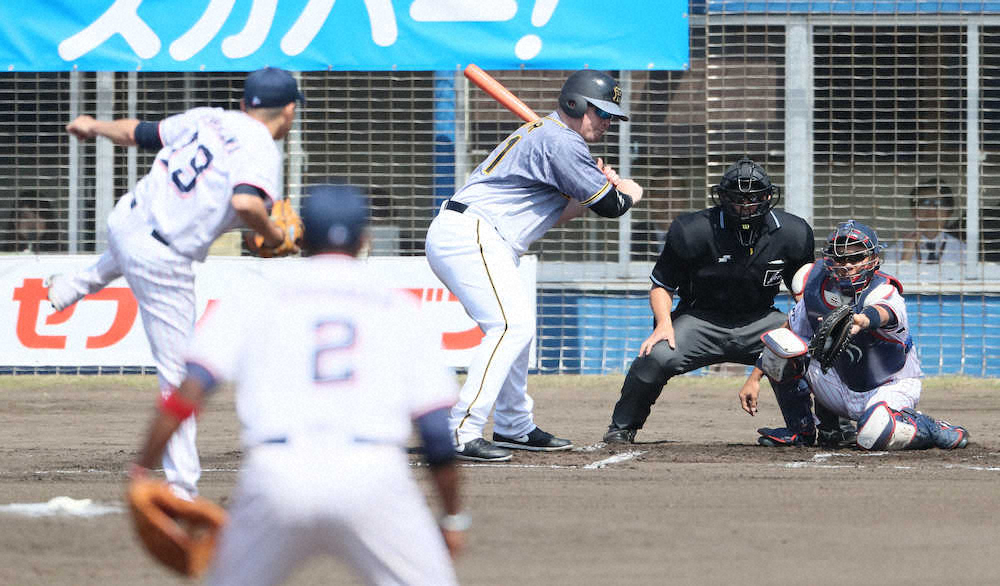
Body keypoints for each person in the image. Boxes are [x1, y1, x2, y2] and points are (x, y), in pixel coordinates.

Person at [131, 184, 465, 586]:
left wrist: (140, 470)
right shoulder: (400, 307)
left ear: (302, 236)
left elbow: (187, 395)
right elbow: (436, 436)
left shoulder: (255, 294)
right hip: (373, 475)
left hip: (276, 475)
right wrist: (450, 518)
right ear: (363, 239)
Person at [47, 67, 304, 498]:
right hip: (162, 258)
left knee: (133, 244)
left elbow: (137, 132)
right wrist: (276, 235)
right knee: (181, 378)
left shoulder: (210, 117)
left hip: (127, 219)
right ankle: (183, 487)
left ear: (244, 104)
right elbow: (245, 202)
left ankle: (73, 286)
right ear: (290, 111)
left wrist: (93, 125)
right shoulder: (261, 147)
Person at [425, 70, 645, 462]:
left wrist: (593, 187)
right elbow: (612, 208)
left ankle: (513, 425)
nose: (608, 122)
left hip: (484, 236)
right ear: (576, 105)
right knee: (511, 325)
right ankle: (459, 430)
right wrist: (623, 191)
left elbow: (562, 211)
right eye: (602, 113)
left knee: (517, 328)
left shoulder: (555, 138)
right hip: (473, 233)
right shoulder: (560, 141)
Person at [602, 157, 856, 447]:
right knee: (655, 356)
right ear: (722, 198)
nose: (746, 206)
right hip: (700, 320)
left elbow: (804, 293)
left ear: (768, 197)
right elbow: (661, 286)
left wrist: (811, 326)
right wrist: (663, 324)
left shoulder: (793, 232)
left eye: (754, 199)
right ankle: (622, 428)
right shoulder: (692, 229)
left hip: (761, 320)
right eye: (737, 199)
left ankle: (835, 426)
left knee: (816, 349)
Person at [738, 220, 970, 451]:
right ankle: (801, 431)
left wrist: (862, 320)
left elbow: (883, 312)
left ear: (874, 260)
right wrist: (754, 378)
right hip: (839, 385)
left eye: (856, 258)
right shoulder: (815, 284)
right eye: (841, 258)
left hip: (888, 386)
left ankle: (932, 427)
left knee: (872, 435)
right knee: (783, 345)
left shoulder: (884, 290)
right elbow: (788, 331)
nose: (847, 265)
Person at [888, 178, 965, 264]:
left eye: (938, 203)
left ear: (949, 212)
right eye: (925, 202)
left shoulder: (962, 250)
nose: (931, 209)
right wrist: (905, 257)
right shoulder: (896, 250)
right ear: (914, 211)